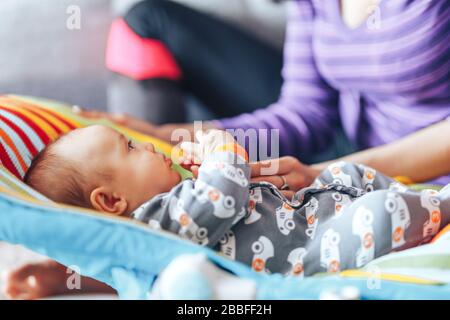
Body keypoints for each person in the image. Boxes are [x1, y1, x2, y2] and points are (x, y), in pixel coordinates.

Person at [4, 125, 450, 299]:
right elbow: (224, 196)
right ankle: (441, 205)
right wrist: (222, 151)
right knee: (381, 211)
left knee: (349, 172)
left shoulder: (174, 203)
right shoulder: (158, 218)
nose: (153, 150)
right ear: (110, 202)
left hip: (312, 214)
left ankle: (430, 200)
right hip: (317, 248)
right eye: (132, 148)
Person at [106, 0, 450, 184]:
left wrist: (329, 175)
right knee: (149, 18)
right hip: (347, 148)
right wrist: (175, 138)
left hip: (419, 173)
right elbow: (306, 114)